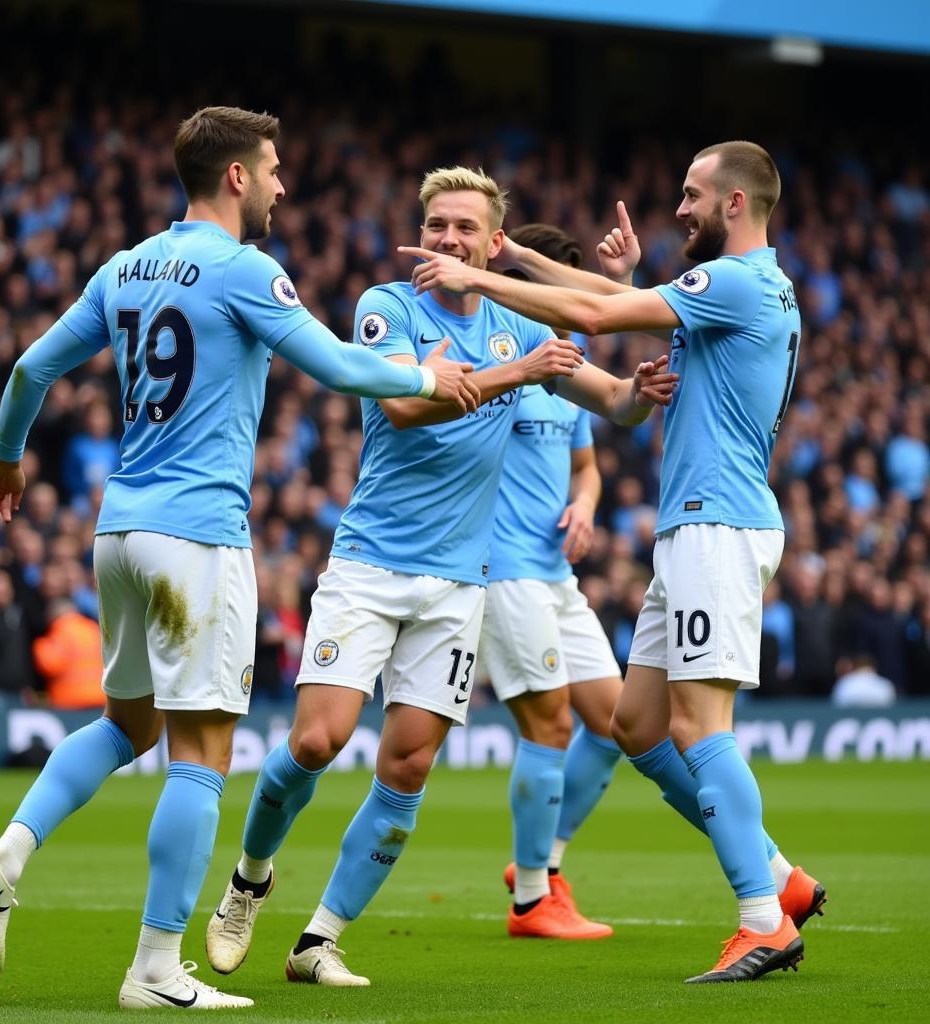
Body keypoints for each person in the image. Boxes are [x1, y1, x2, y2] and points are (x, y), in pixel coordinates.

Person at [0, 105, 479, 1011]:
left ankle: (10, 854)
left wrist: (6, 455)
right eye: (271, 169)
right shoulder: (245, 270)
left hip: (119, 531)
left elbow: (32, 369)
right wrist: (431, 377)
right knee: (200, 756)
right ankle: (156, 969)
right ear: (236, 176)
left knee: (129, 726)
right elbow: (346, 370)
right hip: (197, 537)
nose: (281, 185)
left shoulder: (124, 267)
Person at [204, 167, 676, 987]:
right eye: (435, 225)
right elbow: (406, 405)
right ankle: (250, 876)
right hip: (370, 567)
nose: (446, 240)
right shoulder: (385, 306)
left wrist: (637, 393)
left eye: (464, 228)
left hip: (461, 585)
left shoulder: (517, 321)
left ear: (495, 243)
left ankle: (319, 941)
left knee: (409, 767)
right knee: (316, 740)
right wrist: (518, 375)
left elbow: (610, 402)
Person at [401, 142, 825, 983]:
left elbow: (596, 320)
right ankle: (778, 877)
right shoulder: (756, 287)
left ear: (735, 203)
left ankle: (760, 917)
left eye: (692, 196)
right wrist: (516, 253)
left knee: (703, 729)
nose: (678, 210)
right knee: (636, 726)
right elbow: (611, 300)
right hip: (698, 529)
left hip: (718, 527)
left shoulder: (738, 283)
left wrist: (478, 279)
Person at [479, 224, 623, 940]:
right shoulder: (499, 356)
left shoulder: (570, 370)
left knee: (621, 722)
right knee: (552, 724)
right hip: (502, 571)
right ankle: (532, 902)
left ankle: (544, 862)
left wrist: (586, 506)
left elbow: (587, 465)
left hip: (556, 572)